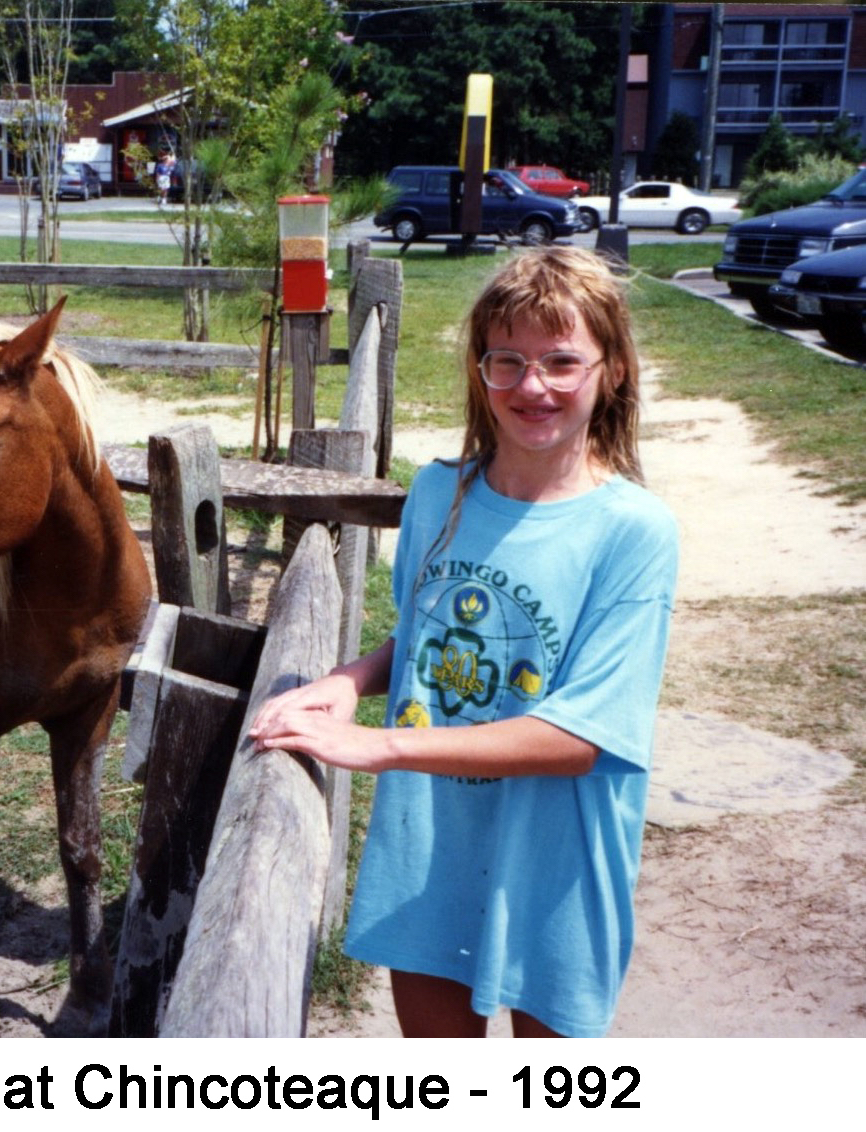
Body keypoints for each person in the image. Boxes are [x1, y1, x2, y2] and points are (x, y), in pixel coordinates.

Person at [249, 245, 678, 1038]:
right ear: (480, 370)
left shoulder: (632, 531)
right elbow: (424, 632)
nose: (532, 386)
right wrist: (351, 678)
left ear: (612, 369)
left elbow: (583, 736)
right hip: (431, 848)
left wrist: (379, 747)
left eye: (561, 361)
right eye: (506, 361)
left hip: (554, 869)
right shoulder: (438, 492)